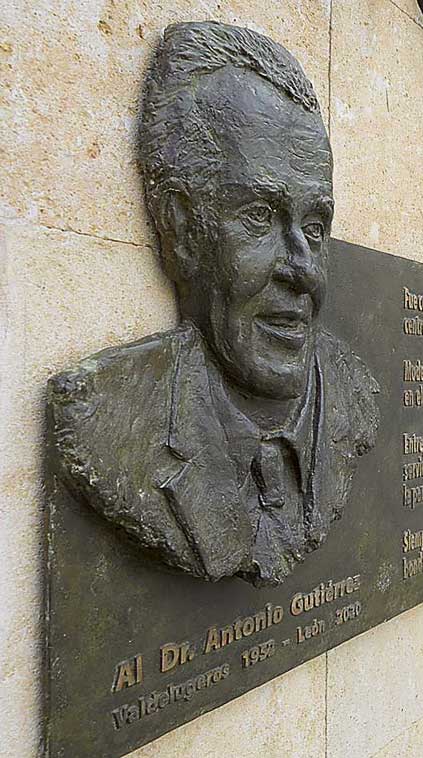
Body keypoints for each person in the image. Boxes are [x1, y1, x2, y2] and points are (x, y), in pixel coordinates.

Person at [47, 21, 380, 587]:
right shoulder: (104, 424)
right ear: (180, 231)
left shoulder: (357, 395)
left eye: (316, 227)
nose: (302, 270)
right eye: (258, 219)